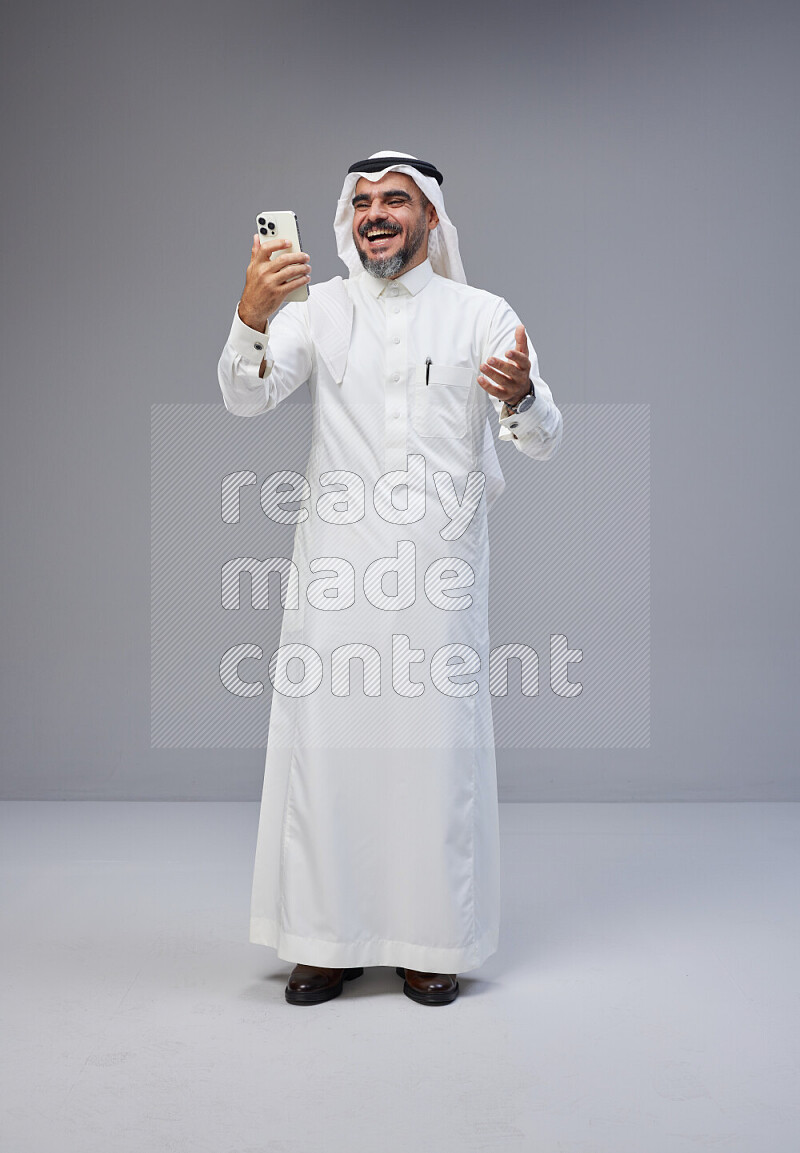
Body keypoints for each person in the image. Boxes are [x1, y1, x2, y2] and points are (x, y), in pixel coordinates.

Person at [217, 151, 563, 1006]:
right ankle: (325, 942)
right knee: (330, 754)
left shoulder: (482, 314)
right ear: (348, 219)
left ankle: (428, 940)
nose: (376, 213)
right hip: (337, 574)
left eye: (396, 200)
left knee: (431, 758)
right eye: (363, 201)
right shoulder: (319, 310)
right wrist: (251, 319)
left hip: (440, 578)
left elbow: (544, 437)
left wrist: (519, 398)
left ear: (431, 218)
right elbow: (245, 397)